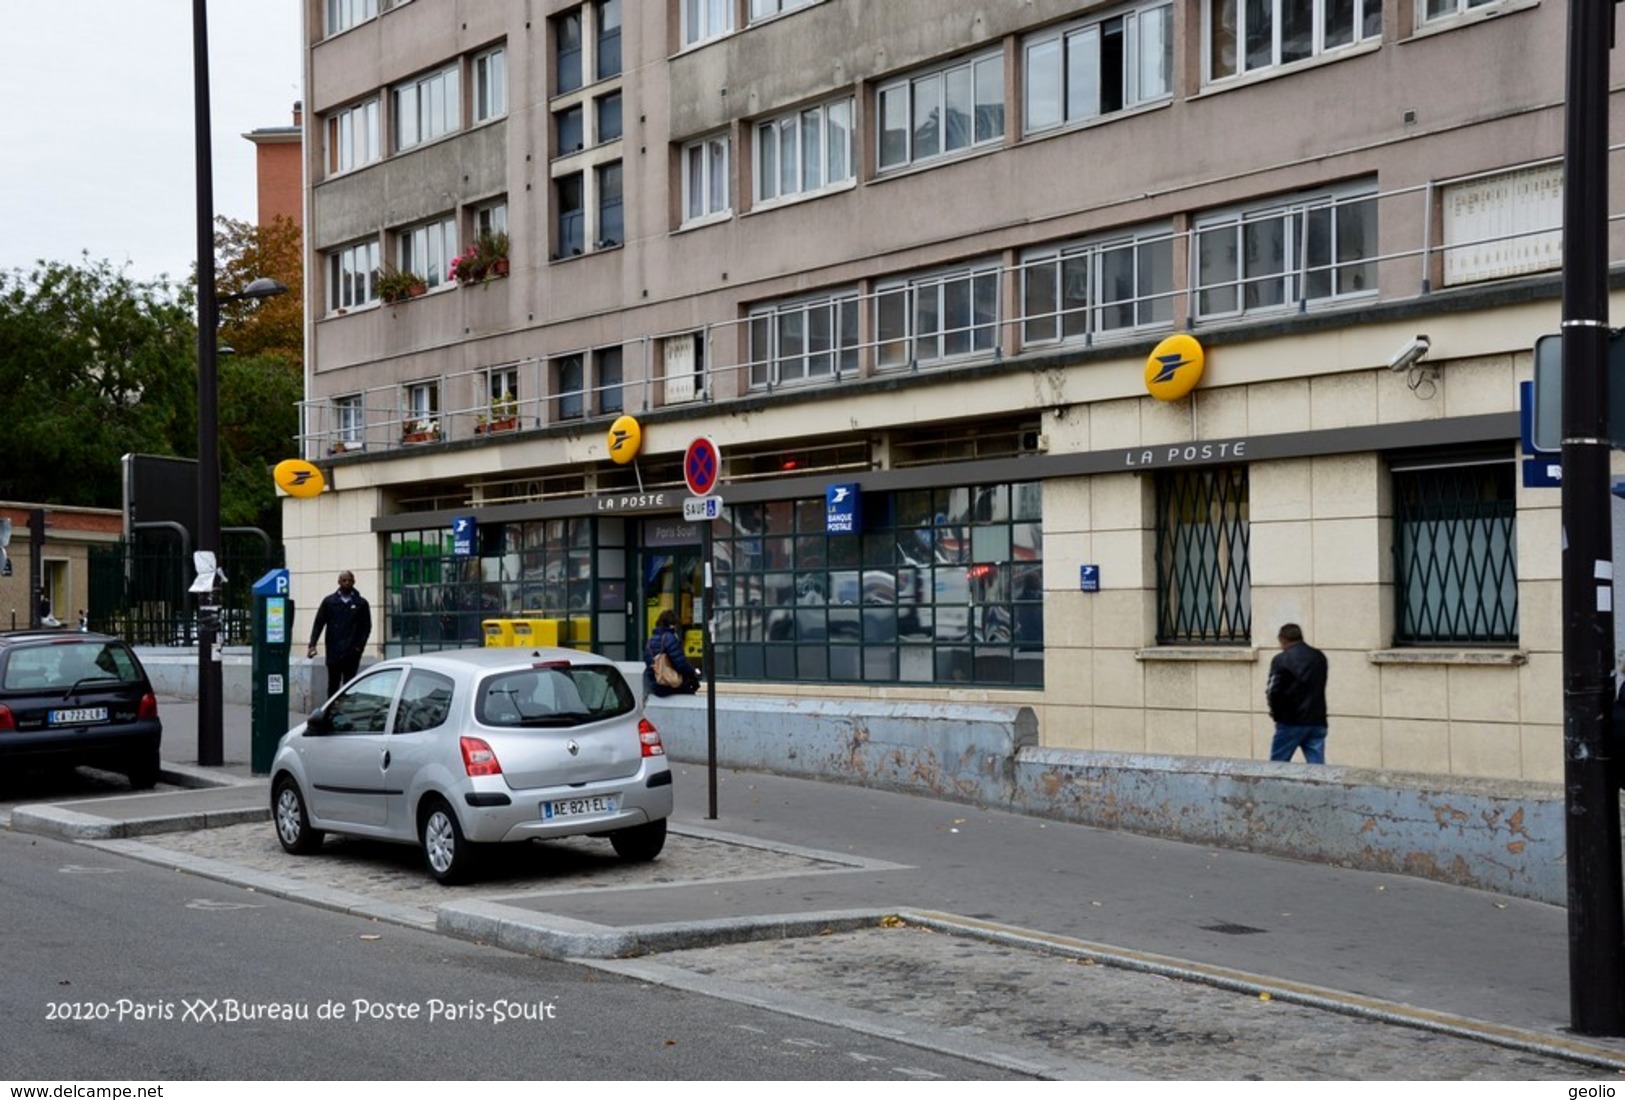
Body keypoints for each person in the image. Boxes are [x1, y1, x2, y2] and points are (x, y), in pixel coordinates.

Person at [1265, 622, 1329, 764]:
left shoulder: (1281, 659)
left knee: (1277, 766)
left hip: (1290, 721)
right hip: (1317, 719)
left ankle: (1275, 787)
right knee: (1317, 768)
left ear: (1282, 639)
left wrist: (1275, 713)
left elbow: (1272, 691)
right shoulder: (1319, 657)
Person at [308, 570, 372, 701]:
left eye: (349, 580)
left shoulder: (361, 603)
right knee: (333, 684)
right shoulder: (329, 602)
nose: (347, 583)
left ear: (354, 582)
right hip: (334, 650)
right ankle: (331, 711)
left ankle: (347, 711)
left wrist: (360, 647)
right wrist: (312, 644)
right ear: (339, 582)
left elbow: (366, 626)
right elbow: (319, 623)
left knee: (350, 685)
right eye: (344, 580)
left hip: (352, 652)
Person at [644, 609, 701, 697]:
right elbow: (681, 664)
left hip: (656, 685)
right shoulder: (670, 638)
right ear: (672, 625)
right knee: (690, 693)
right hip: (670, 684)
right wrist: (693, 671)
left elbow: (649, 664)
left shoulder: (650, 641)